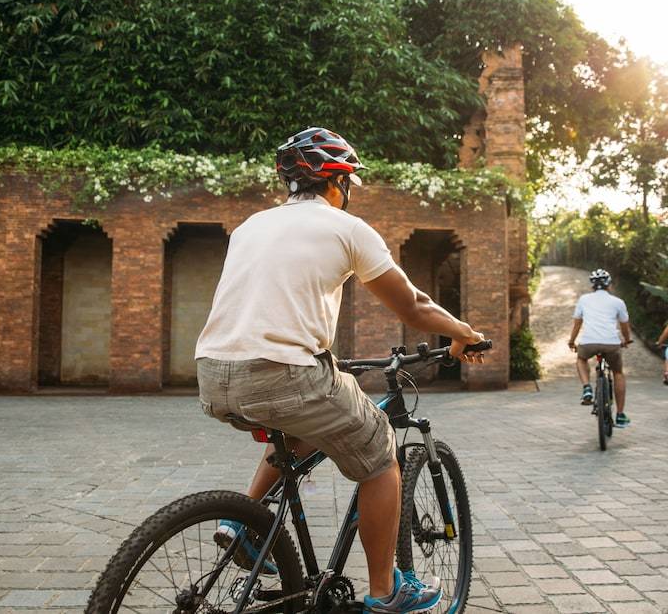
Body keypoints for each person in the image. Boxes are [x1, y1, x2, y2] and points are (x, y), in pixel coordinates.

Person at [194, 127, 486, 613]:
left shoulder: (249, 226)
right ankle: (385, 591)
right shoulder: (347, 228)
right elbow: (413, 305)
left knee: (302, 430)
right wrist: (464, 333)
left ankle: (241, 524)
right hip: (285, 372)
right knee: (382, 457)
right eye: (348, 180)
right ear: (338, 181)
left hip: (213, 373)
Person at [567, 269, 633, 428]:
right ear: (609, 285)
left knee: (581, 360)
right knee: (618, 373)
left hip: (589, 342)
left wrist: (572, 341)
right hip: (611, 343)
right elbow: (625, 326)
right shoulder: (618, 302)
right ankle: (620, 414)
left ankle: (587, 387)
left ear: (592, 286)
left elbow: (577, 323)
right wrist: (627, 340)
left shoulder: (584, 300)